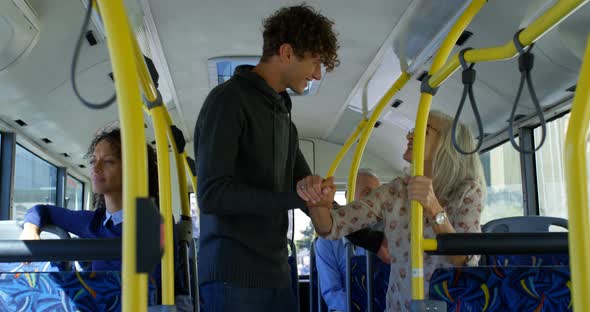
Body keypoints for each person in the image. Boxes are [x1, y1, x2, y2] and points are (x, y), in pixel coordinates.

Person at [194, 4, 377, 311]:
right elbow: (212, 196)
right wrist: (295, 196)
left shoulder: (282, 118)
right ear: (287, 52)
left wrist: (375, 241)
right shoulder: (227, 102)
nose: (318, 74)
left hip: (277, 275)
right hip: (233, 278)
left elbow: (313, 198)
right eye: (315, 62)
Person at [308, 111, 486, 311]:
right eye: (412, 130)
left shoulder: (467, 191)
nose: (409, 136)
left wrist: (433, 207)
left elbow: (465, 263)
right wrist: (319, 205)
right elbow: (330, 227)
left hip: (450, 305)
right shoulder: (396, 190)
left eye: (422, 131)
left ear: (446, 144)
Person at [19, 128, 159, 271]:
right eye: (93, 161)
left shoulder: (152, 224)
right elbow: (41, 210)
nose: (95, 168)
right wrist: (30, 230)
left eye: (108, 161)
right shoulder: (94, 222)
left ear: (134, 170)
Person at [315, 169, 381, 312]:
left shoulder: (388, 234)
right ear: (347, 195)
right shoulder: (327, 242)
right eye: (367, 193)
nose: (373, 201)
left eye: (378, 196)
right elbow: (332, 293)